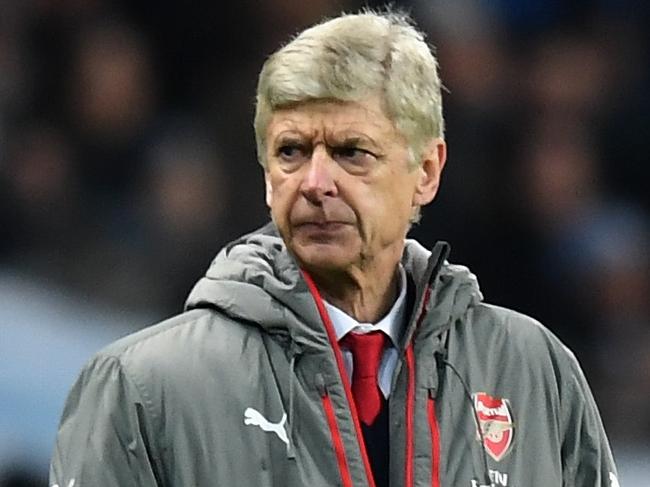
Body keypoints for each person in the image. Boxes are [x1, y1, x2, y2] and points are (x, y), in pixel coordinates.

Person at [50, 10, 618, 487]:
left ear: (426, 171)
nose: (315, 182)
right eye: (292, 151)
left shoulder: (535, 370)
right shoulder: (142, 387)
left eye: (351, 152)